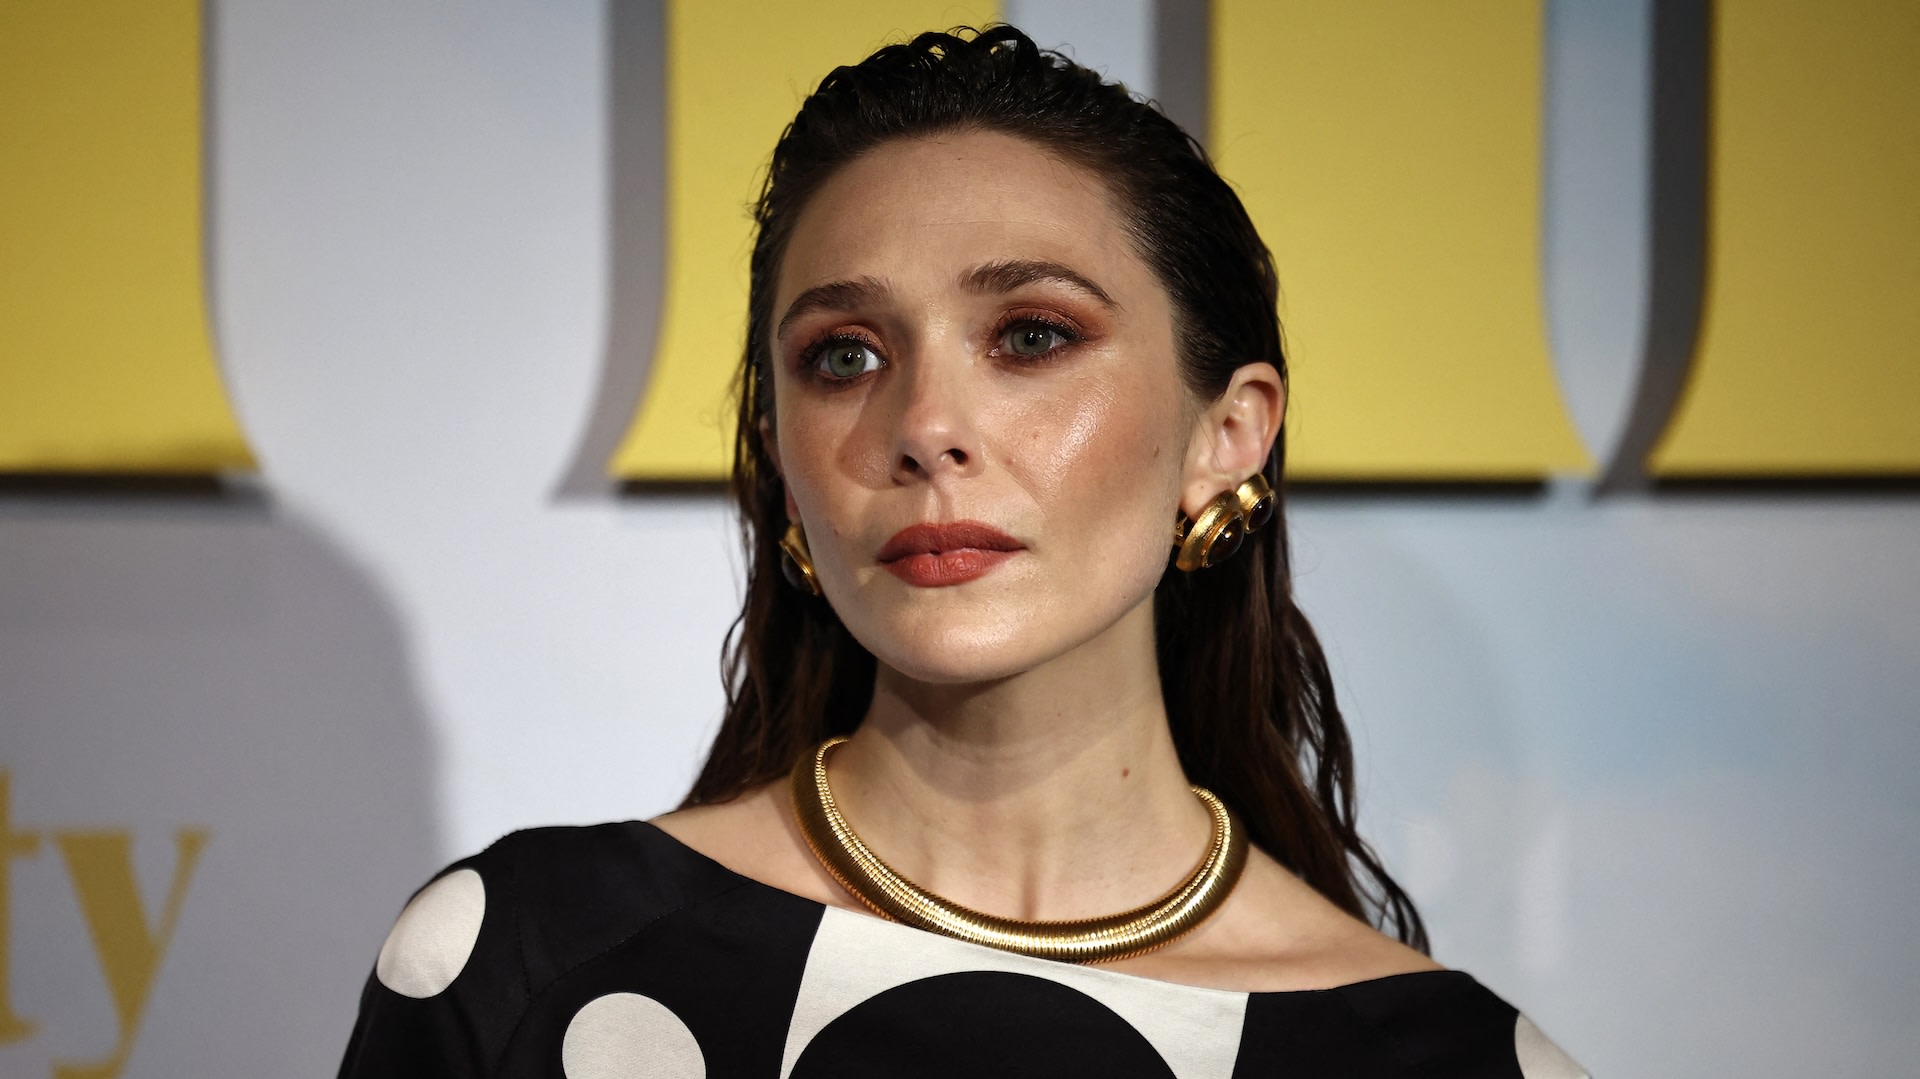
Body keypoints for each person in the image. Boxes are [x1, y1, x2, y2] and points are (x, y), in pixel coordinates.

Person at [339, 25, 1586, 1078]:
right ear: (781, 453)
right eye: (845, 355)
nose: (925, 426)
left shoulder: (1459, 1060)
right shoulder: (521, 963)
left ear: (1228, 433)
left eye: (1032, 335)